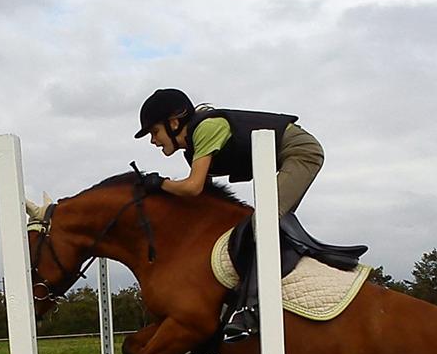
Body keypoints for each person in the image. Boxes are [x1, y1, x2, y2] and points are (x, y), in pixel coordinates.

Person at [134, 88, 324, 340]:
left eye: (154, 132)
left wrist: (161, 184)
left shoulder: (206, 128)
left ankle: (253, 309)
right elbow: (204, 201)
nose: (153, 141)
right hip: (280, 156)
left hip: (301, 152)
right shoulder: (194, 148)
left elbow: (192, 187)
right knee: (245, 228)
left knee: (263, 224)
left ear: (174, 122)